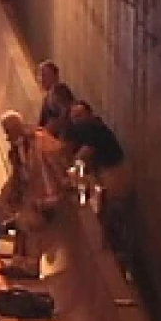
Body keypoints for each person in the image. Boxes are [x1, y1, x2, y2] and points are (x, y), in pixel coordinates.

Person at [0, 112, 65, 279]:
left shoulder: (39, 139)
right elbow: (19, 173)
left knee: (30, 227)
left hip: (45, 192)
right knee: (21, 226)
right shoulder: (18, 147)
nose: (7, 136)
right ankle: (18, 262)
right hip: (30, 193)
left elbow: (55, 157)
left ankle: (31, 265)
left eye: (8, 130)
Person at [62, 100, 132, 263]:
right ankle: (111, 251)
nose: (77, 120)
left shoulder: (94, 130)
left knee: (110, 212)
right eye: (74, 117)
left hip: (113, 174)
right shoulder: (89, 129)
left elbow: (82, 157)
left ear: (90, 114)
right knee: (107, 212)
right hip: (109, 173)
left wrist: (68, 176)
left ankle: (114, 253)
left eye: (80, 115)